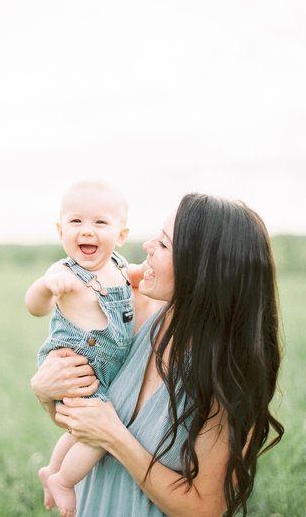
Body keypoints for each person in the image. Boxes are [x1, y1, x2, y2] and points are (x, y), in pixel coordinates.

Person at [30, 193, 284, 517]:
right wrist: (44, 392)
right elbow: (84, 423)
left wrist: (115, 437)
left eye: (164, 245)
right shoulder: (134, 312)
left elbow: (205, 508)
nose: (147, 246)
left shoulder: (227, 376)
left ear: (202, 272)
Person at [26, 180, 140, 517]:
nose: (86, 231)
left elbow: (135, 279)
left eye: (100, 223)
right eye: (76, 222)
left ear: (121, 235)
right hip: (73, 368)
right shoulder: (63, 271)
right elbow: (34, 306)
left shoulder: (119, 267)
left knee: (81, 430)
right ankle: (63, 480)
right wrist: (47, 288)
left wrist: (144, 271)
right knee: (96, 437)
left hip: (102, 372)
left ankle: (52, 469)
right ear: (61, 230)